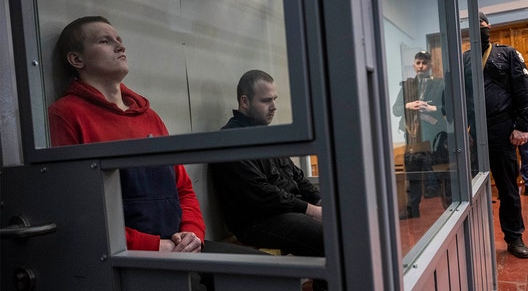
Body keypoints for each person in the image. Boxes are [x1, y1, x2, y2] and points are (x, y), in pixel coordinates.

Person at [48, 16, 263, 290]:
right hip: (126, 254)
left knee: (268, 274)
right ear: (77, 60)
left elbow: (183, 188)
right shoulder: (66, 115)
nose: (119, 46)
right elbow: (77, 213)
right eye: (105, 41)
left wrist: (192, 233)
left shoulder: (149, 116)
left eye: (120, 41)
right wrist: (151, 246)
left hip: (178, 243)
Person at [209, 69, 324, 257]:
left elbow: (296, 176)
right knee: (325, 234)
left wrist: (319, 200)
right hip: (257, 221)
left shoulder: (266, 135)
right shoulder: (228, 140)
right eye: (266, 100)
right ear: (244, 101)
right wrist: (311, 210)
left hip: (286, 212)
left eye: (275, 99)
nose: (274, 106)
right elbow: (261, 193)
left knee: (337, 223)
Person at [463, 12, 528, 259]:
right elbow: (453, 99)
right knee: (470, 190)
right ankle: (471, 240)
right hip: (474, 133)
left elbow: (526, 92)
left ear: (488, 27)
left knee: (507, 188)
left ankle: (514, 237)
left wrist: (522, 126)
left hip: (503, 129)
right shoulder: (463, 60)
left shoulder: (507, 54)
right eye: (473, 24)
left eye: (481, 23)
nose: (478, 27)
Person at [392, 51, 447, 219]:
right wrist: (409, 105)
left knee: (439, 176)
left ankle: (448, 210)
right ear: (414, 65)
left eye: (424, 62)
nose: (421, 66)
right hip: (413, 136)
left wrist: (432, 109)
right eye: (418, 62)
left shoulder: (440, 84)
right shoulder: (407, 86)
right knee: (413, 174)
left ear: (430, 65)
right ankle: (412, 209)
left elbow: (450, 108)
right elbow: (395, 110)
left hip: (435, 137)